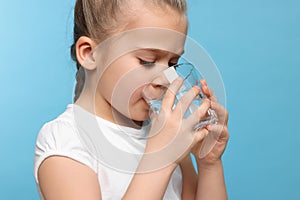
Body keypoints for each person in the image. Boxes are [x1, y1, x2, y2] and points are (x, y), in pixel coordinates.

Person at [34, 0, 229, 199]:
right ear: (90, 53)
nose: (165, 79)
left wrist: (209, 163)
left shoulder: (165, 133)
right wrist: (161, 158)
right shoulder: (66, 142)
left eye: (172, 63)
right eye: (147, 61)